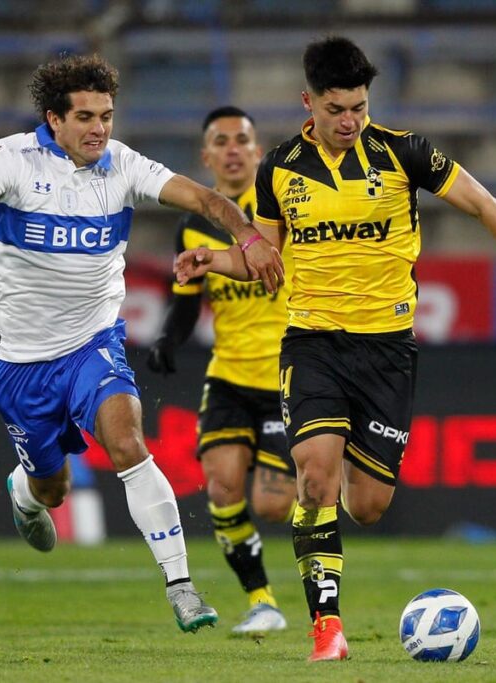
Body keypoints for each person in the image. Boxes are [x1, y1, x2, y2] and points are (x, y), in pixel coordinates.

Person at [175, 36, 496, 659]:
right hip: (313, 343)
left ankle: (333, 568)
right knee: (315, 475)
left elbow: (483, 205)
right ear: (309, 102)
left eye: (358, 106)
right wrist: (214, 259)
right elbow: (264, 258)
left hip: (387, 351)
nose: (350, 120)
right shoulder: (279, 167)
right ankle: (326, 629)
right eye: (336, 109)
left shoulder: (404, 152)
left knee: (369, 504)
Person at [0, 54, 283, 634]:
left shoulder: (123, 165)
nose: (99, 129)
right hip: (21, 361)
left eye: (106, 115)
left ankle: (182, 587)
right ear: (53, 119)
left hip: (94, 341)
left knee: (129, 441)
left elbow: (207, 200)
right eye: (85, 117)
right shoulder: (11, 158)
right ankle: (26, 491)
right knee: (52, 488)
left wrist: (249, 237)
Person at [147, 106, 297, 634]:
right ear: (205, 156)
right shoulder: (192, 226)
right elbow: (187, 301)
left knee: (274, 506)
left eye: (242, 139)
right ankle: (263, 601)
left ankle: (326, 467)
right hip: (229, 374)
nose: (233, 149)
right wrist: (168, 336)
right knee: (220, 487)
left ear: (258, 152)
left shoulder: (281, 208)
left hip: (287, 377)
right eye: (221, 141)